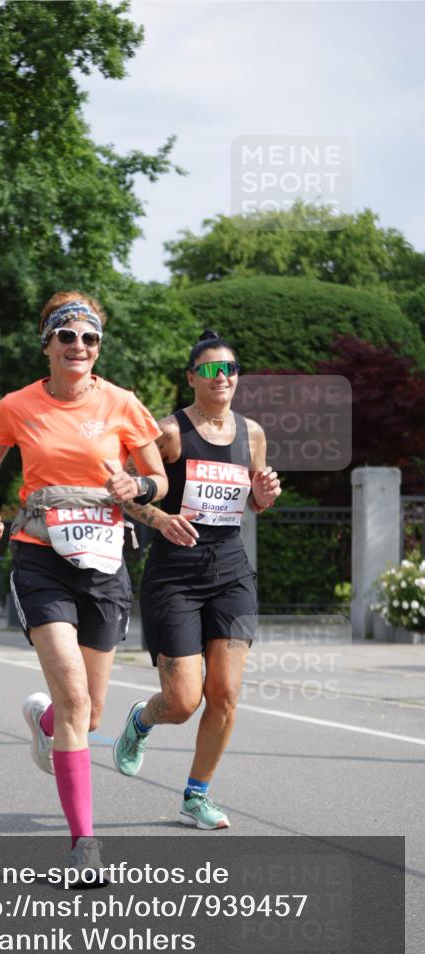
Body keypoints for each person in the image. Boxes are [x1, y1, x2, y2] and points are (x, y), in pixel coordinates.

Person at [0, 291, 167, 873]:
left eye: (89, 338)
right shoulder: (18, 406)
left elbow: (157, 477)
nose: (79, 346)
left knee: (89, 714)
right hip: (41, 558)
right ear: (48, 344)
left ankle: (45, 721)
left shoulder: (123, 404)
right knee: (75, 698)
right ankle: (84, 846)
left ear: (97, 347)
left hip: (105, 562)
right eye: (67, 336)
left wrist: (137, 487)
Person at [113, 329, 281, 829]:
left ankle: (196, 794)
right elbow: (123, 492)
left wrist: (264, 495)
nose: (221, 377)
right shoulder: (168, 432)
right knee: (183, 701)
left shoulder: (252, 434)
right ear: (192, 377)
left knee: (225, 694)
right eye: (210, 369)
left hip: (231, 572)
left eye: (230, 369)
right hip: (175, 576)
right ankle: (142, 720)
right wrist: (161, 519)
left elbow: (254, 502)